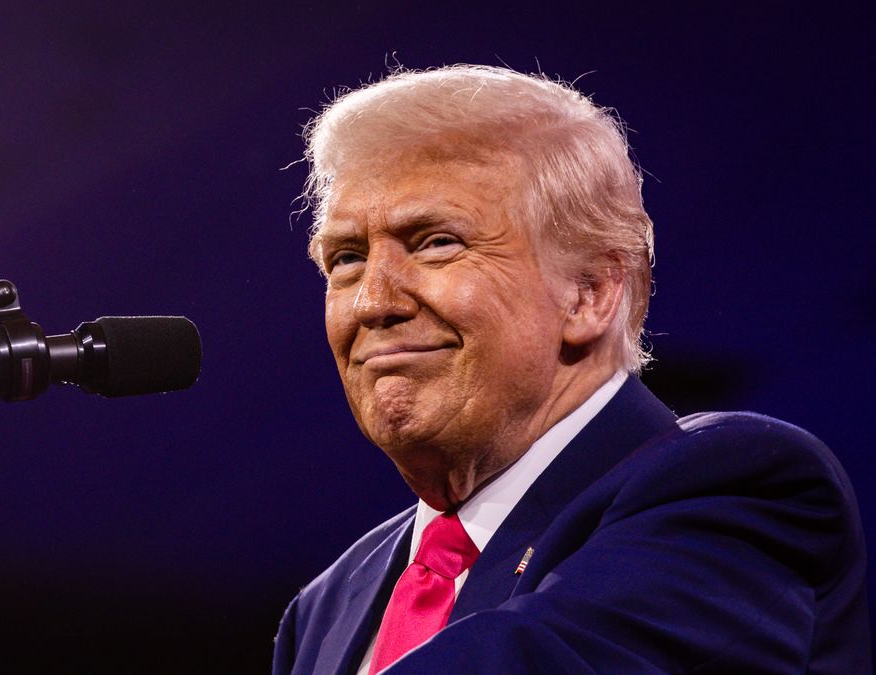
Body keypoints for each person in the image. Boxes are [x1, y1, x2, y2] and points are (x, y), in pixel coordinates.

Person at [272, 65, 870, 674]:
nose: (373, 302)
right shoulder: (329, 605)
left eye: (436, 242)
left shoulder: (733, 488)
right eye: (346, 258)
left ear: (589, 292)